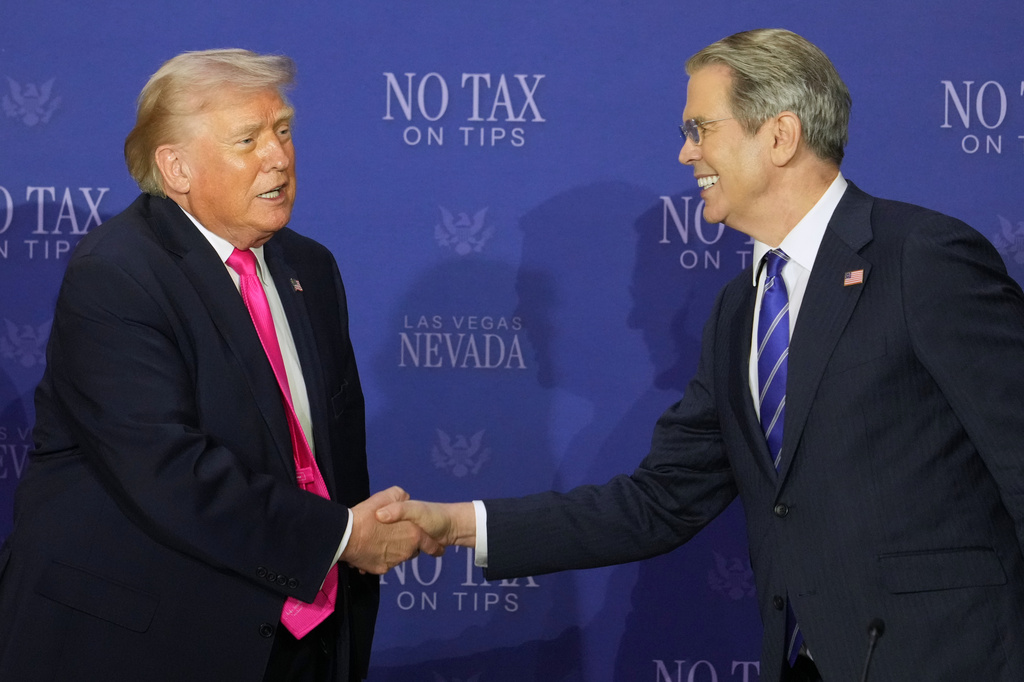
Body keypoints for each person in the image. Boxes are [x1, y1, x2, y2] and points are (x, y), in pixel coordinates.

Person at [377, 28, 1024, 682]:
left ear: (779, 135)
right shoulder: (739, 312)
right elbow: (659, 501)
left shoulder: (921, 258)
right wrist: (457, 524)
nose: (686, 153)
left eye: (700, 128)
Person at [0, 49, 439, 682]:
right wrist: (342, 538)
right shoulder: (118, 273)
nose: (278, 157)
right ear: (175, 167)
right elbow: (168, 473)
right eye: (247, 140)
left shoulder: (309, 268)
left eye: (283, 130)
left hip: (290, 637)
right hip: (145, 639)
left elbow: (327, 457)